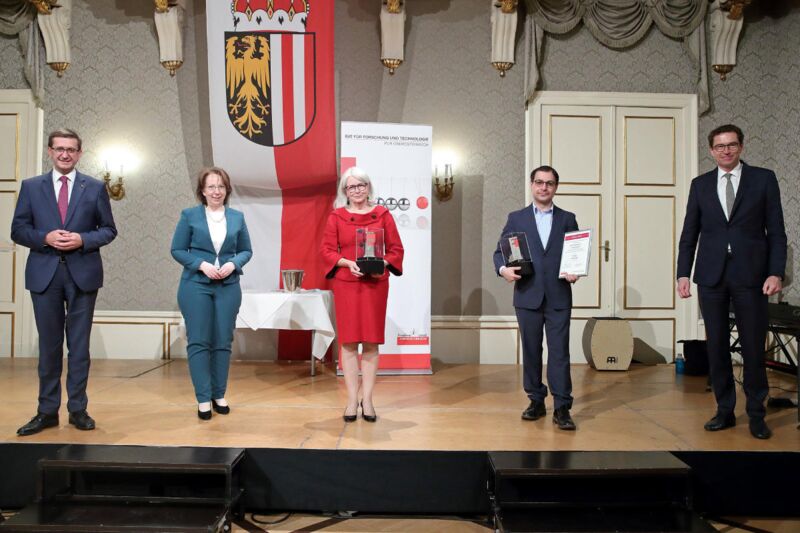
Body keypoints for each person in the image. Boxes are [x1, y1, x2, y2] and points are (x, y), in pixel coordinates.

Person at [677, 124, 786, 440]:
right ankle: (724, 410)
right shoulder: (700, 185)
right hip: (710, 277)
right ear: (711, 150)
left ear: (741, 147)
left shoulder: (763, 179)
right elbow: (689, 233)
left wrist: (775, 272)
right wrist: (683, 274)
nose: (726, 150)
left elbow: (776, 232)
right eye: (720, 146)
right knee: (717, 347)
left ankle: (756, 414)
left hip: (752, 275)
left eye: (732, 144)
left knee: (753, 347)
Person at [11, 128, 117, 436]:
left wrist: (83, 239)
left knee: (79, 347)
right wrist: (44, 237)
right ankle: (47, 411)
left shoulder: (94, 187)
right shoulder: (31, 187)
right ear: (50, 151)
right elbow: (18, 230)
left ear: (79, 154)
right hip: (44, 275)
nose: (65, 154)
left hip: (83, 274)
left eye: (71, 149)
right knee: (49, 347)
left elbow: (108, 230)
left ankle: (77, 409)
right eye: (59, 149)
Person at [493, 165, 579, 430]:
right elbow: (499, 253)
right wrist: (503, 270)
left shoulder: (567, 219)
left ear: (556, 187)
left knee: (560, 352)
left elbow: (575, 252)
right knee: (531, 351)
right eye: (539, 182)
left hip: (558, 296)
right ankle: (536, 400)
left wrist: (575, 270)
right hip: (527, 296)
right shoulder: (516, 218)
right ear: (532, 185)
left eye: (549, 183)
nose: (544, 187)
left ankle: (562, 406)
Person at [321, 167, 403, 423]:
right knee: (348, 343)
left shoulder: (383, 214)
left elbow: (396, 250)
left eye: (361, 185)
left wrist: (382, 263)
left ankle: (367, 400)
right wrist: (347, 263)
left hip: (374, 285)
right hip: (347, 284)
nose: (356, 190)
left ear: (368, 187)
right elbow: (327, 250)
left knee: (370, 342)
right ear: (344, 191)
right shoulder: (336, 216)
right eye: (351, 186)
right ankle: (350, 400)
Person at [171, 167, 252, 420]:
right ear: (202, 191)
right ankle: (203, 398)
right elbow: (177, 249)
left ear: (227, 190)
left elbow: (246, 250)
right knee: (198, 341)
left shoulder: (237, 217)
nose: (216, 191)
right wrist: (201, 264)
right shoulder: (189, 215)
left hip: (228, 286)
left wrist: (233, 264)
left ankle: (219, 394)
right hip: (195, 285)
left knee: (223, 341)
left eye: (221, 186)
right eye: (211, 187)